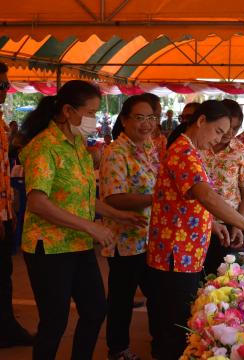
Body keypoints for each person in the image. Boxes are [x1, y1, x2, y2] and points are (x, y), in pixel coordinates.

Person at [19, 80, 145, 360]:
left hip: (77, 243)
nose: (94, 119)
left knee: (95, 309)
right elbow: (38, 202)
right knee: (54, 322)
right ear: (67, 110)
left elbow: (82, 198)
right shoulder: (44, 147)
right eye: (90, 112)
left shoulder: (77, 144)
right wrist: (92, 227)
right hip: (49, 248)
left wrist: (117, 214)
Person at [148, 100, 244, 360]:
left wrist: (211, 224)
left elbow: (188, 202)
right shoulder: (183, 151)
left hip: (184, 251)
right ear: (201, 121)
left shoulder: (188, 148)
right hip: (176, 254)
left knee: (176, 320)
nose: (218, 140)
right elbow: (206, 196)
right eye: (217, 131)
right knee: (173, 325)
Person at [99, 95, 160, 360]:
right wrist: (157, 197)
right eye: (139, 117)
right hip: (125, 240)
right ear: (124, 120)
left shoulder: (148, 146)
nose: (147, 124)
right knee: (121, 299)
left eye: (151, 118)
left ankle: (161, 342)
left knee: (157, 292)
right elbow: (113, 196)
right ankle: (118, 350)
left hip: (150, 236)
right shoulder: (116, 151)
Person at [201, 99, 244, 275]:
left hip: (226, 225)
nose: (229, 133)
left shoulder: (241, 151)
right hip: (195, 221)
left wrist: (238, 223)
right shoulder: (197, 146)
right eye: (225, 127)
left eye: (235, 128)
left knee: (216, 278)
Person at [0, 62, 33, 349]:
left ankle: (6, 325)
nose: (5, 90)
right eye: (1, 85)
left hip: (4, 211)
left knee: (4, 274)